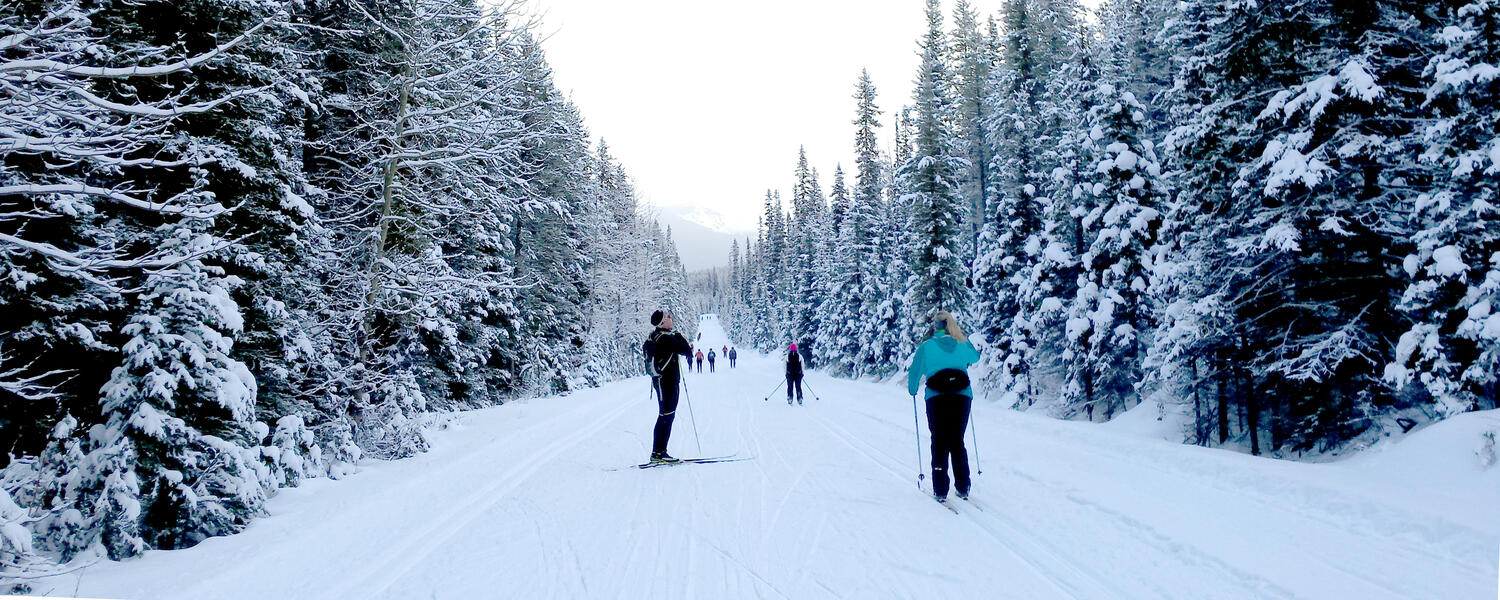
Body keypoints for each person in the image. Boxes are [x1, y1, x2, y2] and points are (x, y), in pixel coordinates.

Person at [908, 310, 980, 501]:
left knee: (939, 440)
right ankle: (963, 486)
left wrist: (913, 390)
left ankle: (940, 489)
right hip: (962, 397)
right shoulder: (961, 343)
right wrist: (962, 336)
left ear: (935, 327)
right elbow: (975, 357)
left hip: (936, 398)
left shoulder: (926, 347)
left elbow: (915, 371)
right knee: (957, 440)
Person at [645, 310, 693, 463]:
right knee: (666, 416)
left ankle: (658, 452)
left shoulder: (656, 336)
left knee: (665, 415)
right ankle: (659, 454)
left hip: (662, 382)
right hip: (667, 383)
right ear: (663, 323)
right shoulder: (666, 338)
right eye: (667, 317)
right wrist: (678, 335)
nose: (670, 318)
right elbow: (687, 351)